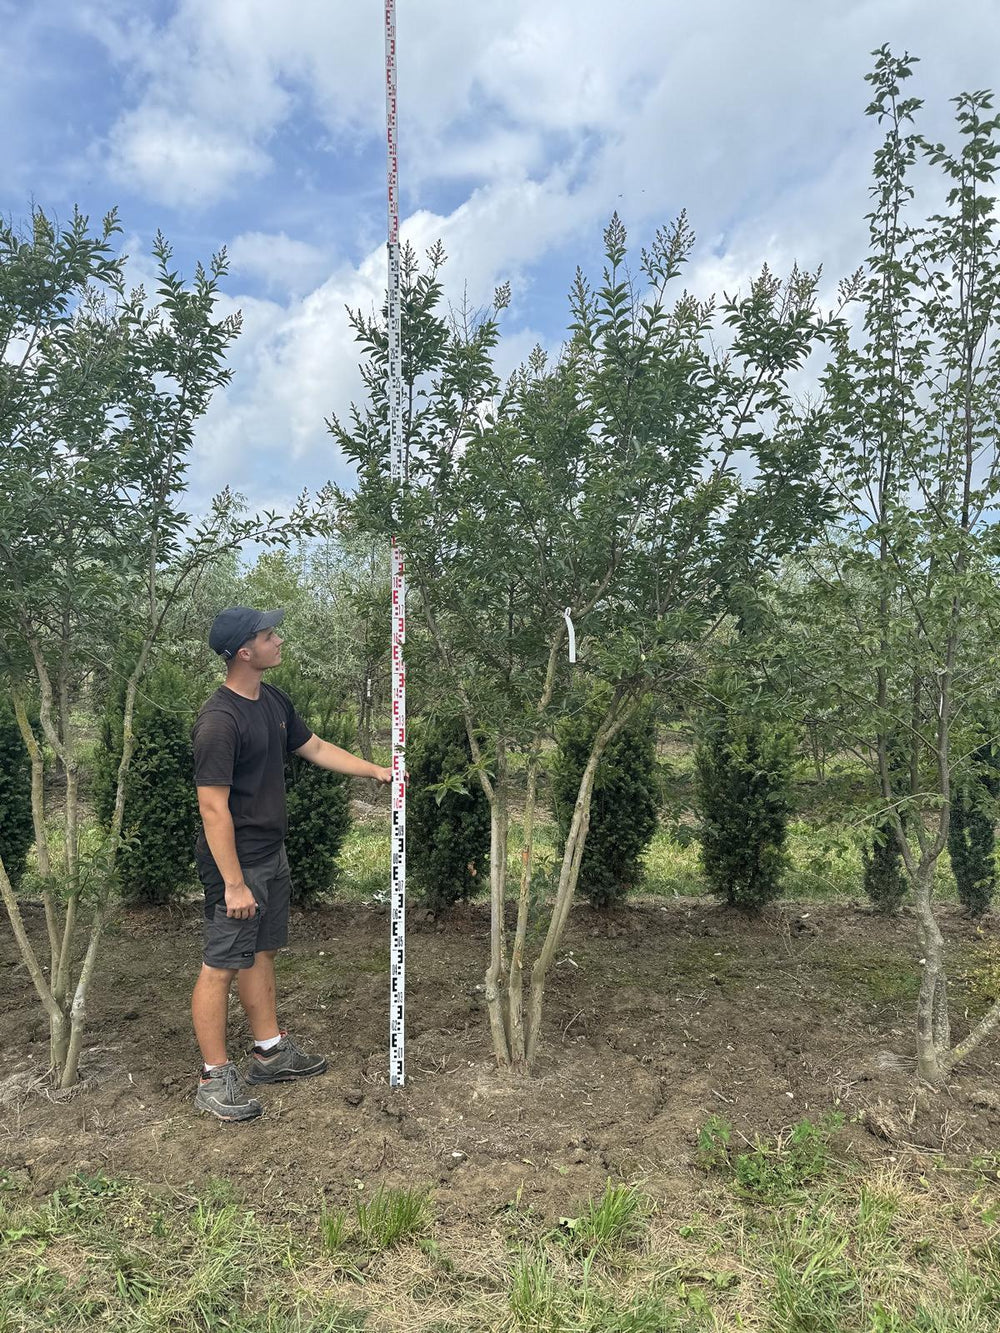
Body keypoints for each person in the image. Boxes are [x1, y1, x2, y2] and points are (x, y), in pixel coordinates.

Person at [190, 605, 393, 1122]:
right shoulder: (220, 720)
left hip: (270, 855)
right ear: (244, 651)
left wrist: (377, 771)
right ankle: (213, 1078)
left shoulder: (273, 701)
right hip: (236, 865)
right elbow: (213, 807)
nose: (278, 640)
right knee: (221, 965)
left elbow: (315, 746)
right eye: (268, 635)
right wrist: (234, 884)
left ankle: (269, 1053)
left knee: (261, 953)